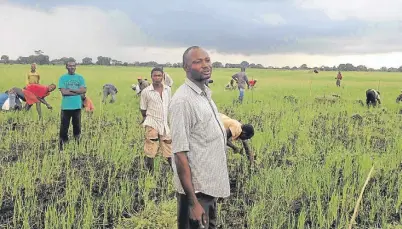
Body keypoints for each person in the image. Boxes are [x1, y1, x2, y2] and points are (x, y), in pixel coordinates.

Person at [169, 46, 230, 229]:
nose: (205, 65)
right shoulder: (183, 101)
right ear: (185, 67)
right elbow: (179, 154)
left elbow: (205, 135)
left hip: (209, 187)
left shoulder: (204, 94)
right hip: (197, 192)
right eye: (197, 62)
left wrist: (233, 133)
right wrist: (193, 203)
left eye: (207, 60)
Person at [140, 67, 172, 172]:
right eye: (155, 75)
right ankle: (150, 173)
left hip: (164, 123)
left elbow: (169, 106)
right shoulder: (146, 92)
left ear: (163, 76)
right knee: (151, 148)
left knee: (168, 147)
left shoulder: (168, 89)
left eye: (159, 75)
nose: (157, 78)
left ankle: (174, 171)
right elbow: (143, 109)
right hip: (152, 122)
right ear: (151, 77)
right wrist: (146, 118)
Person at [58, 61, 86, 151]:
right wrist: (77, 91)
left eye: (73, 66)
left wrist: (70, 90)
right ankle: (63, 143)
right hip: (66, 107)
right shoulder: (62, 78)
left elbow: (83, 90)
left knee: (77, 125)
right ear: (66, 67)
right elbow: (64, 93)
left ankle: (77, 143)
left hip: (77, 106)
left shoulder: (80, 77)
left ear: (76, 67)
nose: (72, 67)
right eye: (70, 66)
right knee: (64, 126)